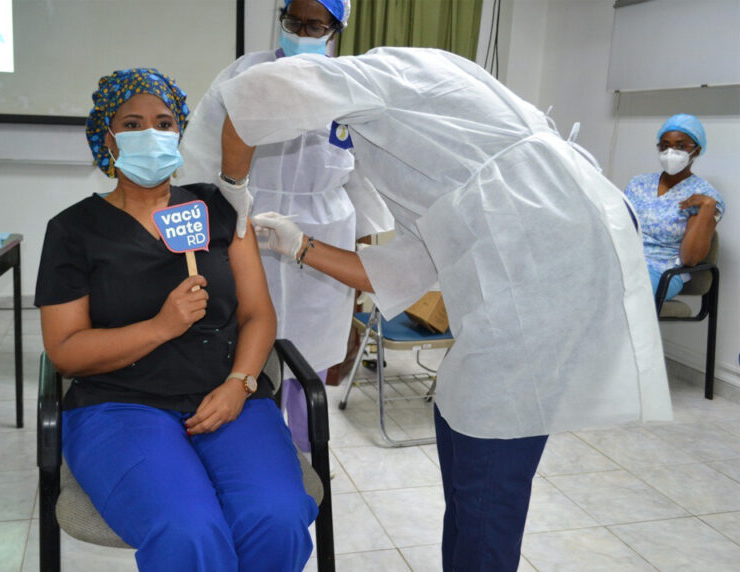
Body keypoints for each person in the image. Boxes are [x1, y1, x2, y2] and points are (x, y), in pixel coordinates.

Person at [214, 47, 673, 571]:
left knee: (491, 460)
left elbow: (255, 93)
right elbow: (402, 269)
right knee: (462, 419)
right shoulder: (409, 149)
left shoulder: (390, 72)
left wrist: (233, 189)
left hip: (549, 253)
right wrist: (301, 246)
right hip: (530, 252)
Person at [34, 68, 317, 572]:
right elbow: (65, 350)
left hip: (229, 399)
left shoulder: (219, 208)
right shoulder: (73, 231)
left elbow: (257, 315)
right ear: (109, 139)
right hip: (119, 408)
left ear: (179, 132)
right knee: (189, 531)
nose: (152, 134)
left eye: (164, 123)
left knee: (278, 517)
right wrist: (162, 326)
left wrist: (240, 382)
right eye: (133, 123)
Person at [177, 0, 393, 453]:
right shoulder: (246, 75)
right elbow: (202, 151)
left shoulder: (353, 86)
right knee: (249, 337)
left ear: (337, 28)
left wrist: (366, 252)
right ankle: (254, 444)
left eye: (314, 24)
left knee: (313, 349)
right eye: (293, 20)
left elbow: (367, 175)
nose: (300, 30)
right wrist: (215, 217)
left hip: (327, 230)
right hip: (254, 219)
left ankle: (306, 447)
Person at [623, 114, 724, 301]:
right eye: (665, 145)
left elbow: (690, 259)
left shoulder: (705, 196)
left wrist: (708, 207)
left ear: (697, 150)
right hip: (623, 262)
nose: (671, 151)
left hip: (663, 272)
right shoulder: (638, 183)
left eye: (681, 146)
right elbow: (619, 228)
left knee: (623, 298)